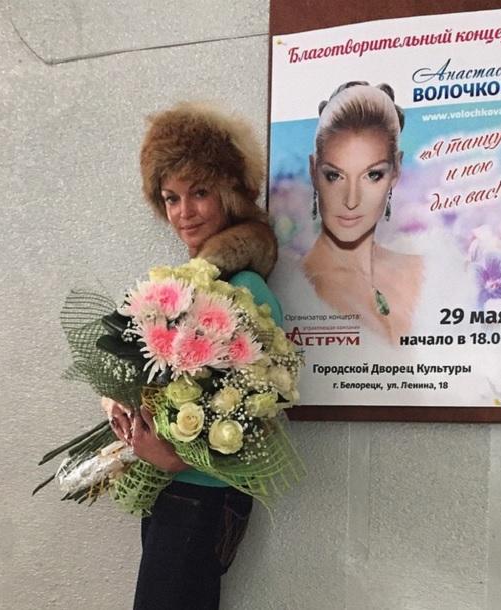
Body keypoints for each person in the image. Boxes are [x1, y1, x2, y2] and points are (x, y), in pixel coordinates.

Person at [102, 101, 283, 610]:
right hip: (178, 490)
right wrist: (121, 403)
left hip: (202, 494)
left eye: (199, 192)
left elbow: (259, 417)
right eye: (171, 198)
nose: (185, 212)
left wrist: (173, 457)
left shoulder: (245, 289)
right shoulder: (185, 287)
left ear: (228, 193)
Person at [302, 81, 423, 344]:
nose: (351, 200)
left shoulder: (424, 272)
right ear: (313, 170)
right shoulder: (299, 286)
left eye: (373, 175)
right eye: (334, 176)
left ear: (396, 170)